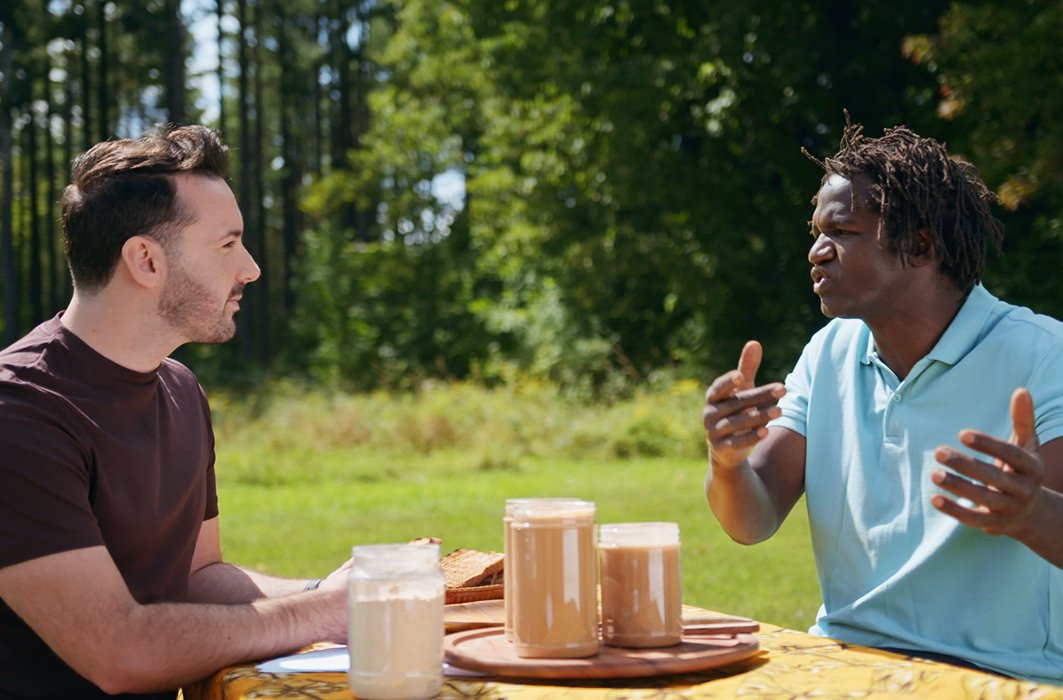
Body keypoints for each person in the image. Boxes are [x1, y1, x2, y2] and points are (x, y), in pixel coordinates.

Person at [702, 120, 1063, 684]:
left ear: (919, 244)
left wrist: (1031, 513)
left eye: (841, 231)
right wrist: (726, 462)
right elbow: (752, 519)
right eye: (816, 231)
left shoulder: (1043, 355)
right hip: (844, 664)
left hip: (999, 676)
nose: (816, 253)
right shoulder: (829, 352)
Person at [0, 125, 350, 699]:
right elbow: (118, 652)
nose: (251, 268)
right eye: (227, 244)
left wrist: (332, 590)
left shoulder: (181, 389)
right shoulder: (20, 414)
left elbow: (196, 578)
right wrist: (322, 614)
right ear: (145, 260)